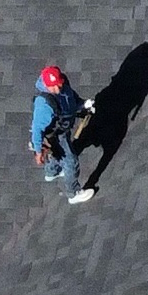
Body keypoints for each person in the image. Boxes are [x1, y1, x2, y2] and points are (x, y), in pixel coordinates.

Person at [31, 66, 97, 204]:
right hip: (55, 135)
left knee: (58, 154)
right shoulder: (43, 104)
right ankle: (73, 193)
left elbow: (71, 99)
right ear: (46, 86)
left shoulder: (63, 85)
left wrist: (83, 105)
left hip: (63, 129)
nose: (58, 89)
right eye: (53, 87)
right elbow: (37, 129)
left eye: (59, 84)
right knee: (71, 161)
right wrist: (38, 152)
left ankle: (52, 172)